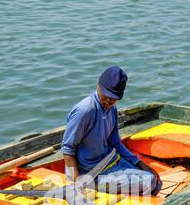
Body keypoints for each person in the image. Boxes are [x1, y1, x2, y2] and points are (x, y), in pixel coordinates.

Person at [61, 66, 161, 195]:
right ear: (98, 86)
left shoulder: (112, 109)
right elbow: (68, 148)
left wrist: (139, 163)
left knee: (154, 179)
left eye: (114, 98)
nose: (109, 101)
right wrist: (76, 180)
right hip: (92, 172)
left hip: (110, 162)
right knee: (149, 181)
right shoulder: (85, 111)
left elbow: (115, 143)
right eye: (107, 96)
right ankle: (95, 186)